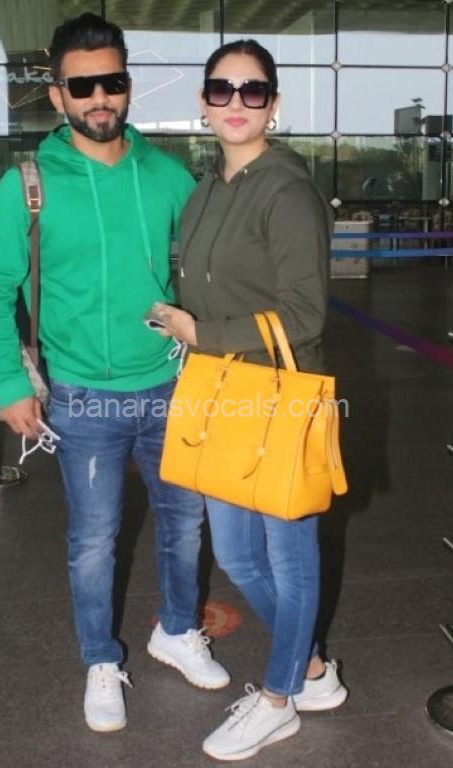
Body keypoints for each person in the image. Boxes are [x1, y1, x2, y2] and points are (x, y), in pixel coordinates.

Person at [0, 13, 229, 734]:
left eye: (110, 81)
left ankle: (177, 629)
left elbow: (209, 274)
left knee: (185, 523)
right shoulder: (29, 184)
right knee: (93, 539)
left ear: (128, 85)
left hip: (170, 384)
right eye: (81, 86)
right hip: (83, 396)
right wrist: (10, 386)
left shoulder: (169, 178)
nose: (99, 98)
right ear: (57, 95)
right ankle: (99, 660)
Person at [154, 39, 348, 761]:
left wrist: (202, 332)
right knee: (237, 555)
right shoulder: (206, 190)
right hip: (223, 396)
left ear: (273, 103)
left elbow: (306, 314)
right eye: (222, 89)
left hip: (278, 397)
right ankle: (313, 669)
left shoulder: (287, 191)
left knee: (291, 562)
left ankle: (278, 699)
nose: (236, 103)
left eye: (253, 90)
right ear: (203, 102)